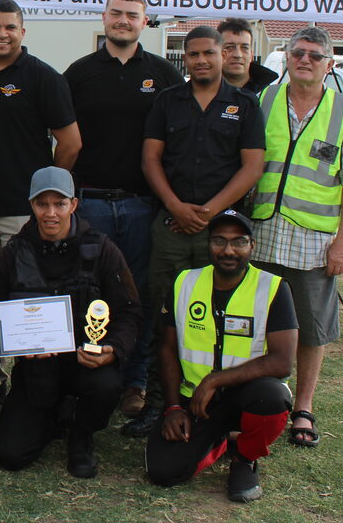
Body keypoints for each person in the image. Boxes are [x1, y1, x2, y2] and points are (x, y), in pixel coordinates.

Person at [122, 26, 265, 438]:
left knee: (217, 315)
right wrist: (175, 206)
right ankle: (159, 403)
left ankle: (214, 402)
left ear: (224, 56)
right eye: (193, 54)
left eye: (208, 53)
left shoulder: (244, 105)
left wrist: (208, 214)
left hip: (221, 232)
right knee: (162, 313)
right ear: (185, 58)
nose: (201, 60)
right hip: (170, 224)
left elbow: (251, 167)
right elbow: (151, 160)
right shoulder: (169, 102)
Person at [63, 0, 183, 418]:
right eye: (116, 13)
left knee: (139, 295)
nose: (123, 21)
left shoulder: (164, 73)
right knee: (88, 290)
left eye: (132, 15)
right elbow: (62, 136)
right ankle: (84, 374)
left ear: (144, 22)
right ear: (104, 17)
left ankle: (134, 381)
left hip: (141, 205)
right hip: (91, 200)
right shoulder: (78, 73)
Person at [0, 167, 142, 478]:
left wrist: (113, 348)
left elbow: (130, 310)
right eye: (42, 204)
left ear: (74, 205)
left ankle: (82, 435)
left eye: (60, 204)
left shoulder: (102, 249)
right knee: (11, 455)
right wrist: (15, 343)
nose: (51, 213)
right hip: (37, 369)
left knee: (107, 384)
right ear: (31, 205)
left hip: (87, 365)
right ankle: (55, 416)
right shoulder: (12, 253)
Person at [251, 26, 343, 448]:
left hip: (313, 244)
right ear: (285, 57)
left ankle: (303, 407)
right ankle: (257, 400)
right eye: (297, 53)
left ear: (329, 64)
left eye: (315, 56)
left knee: (311, 330)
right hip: (262, 234)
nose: (305, 60)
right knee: (255, 324)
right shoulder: (262, 102)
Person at [146, 210, 296, 503]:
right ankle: (221, 440)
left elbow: (282, 361)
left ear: (252, 245)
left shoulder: (274, 288)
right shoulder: (184, 283)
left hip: (246, 397)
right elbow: (166, 348)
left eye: (238, 242)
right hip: (196, 403)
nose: (228, 250)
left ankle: (246, 456)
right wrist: (173, 407)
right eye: (219, 241)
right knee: (162, 472)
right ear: (208, 244)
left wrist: (216, 380)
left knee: (274, 397)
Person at [0, 0, 80, 283]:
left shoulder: (44, 77)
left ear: (22, 32)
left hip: (23, 210)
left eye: (10, 27)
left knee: (25, 292)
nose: (2, 33)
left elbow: (71, 143)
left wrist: (47, 189)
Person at [218, 18, 277, 95]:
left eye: (244, 48)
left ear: (251, 55)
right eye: (229, 47)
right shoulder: (202, 94)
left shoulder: (269, 95)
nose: (238, 55)